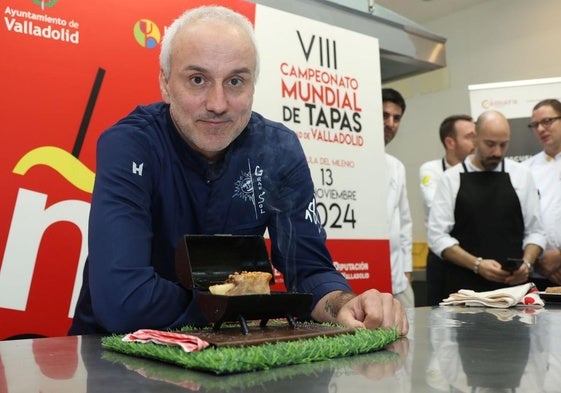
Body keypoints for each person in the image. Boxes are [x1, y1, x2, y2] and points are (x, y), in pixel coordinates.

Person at [68, 6, 408, 336]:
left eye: (235, 81)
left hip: (232, 349)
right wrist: (245, 306)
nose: (217, 104)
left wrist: (344, 302)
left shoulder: (279, 150)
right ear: (166, 83)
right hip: (116, 356)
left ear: (253, 85)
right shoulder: (129, 144)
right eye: (197, 79)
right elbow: (123, 301)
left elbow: (309, 269)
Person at [427, 110, 546, 295]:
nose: (497, 152)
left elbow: (536, 232)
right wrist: (477, 264)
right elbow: (437, 236)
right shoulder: (450, 179)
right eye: (490, 144)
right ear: (475, 138)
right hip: (464, 290)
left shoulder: (522, 175)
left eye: (503, 145)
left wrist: (527, 264)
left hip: (512, 290)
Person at [419, 115, 475, 305]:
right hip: (442, 258)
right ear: (450, 142)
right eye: (469, 137)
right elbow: (436, 205)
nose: (476, 142)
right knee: (441, 320)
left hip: (472, 256)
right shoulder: (431, 170)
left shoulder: (478, 171)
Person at [523, 98, 561, 290]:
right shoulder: (525, 171)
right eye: (535, 125)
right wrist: (538, 262)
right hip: (540, 274)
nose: (540, 129)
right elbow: (519, 222)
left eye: (547, 121)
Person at [382, 88, 414, 308]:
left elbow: (404, 221)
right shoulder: (352, 162)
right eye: (384, 115)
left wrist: (407, 269)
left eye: (396, 118)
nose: (390, 123)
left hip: (398, 280)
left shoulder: (397, 166)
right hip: (366, 274)